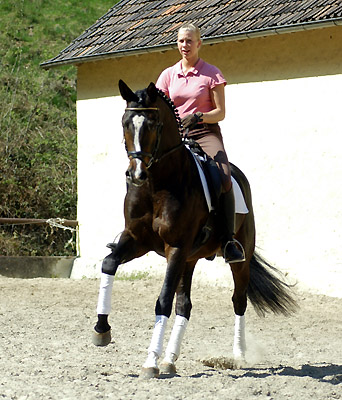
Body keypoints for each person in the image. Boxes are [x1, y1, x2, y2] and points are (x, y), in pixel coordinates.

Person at [156, 23, 245, 263]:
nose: (184, 45)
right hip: (177, 137)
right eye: (181, 41)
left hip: (205, 133)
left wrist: (198, 116)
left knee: (224, 175)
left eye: (189, 41)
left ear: (199, 43)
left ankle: (227, 240)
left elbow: (220, 112)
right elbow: (160, 108)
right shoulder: (167, 76)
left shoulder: (211, 73)